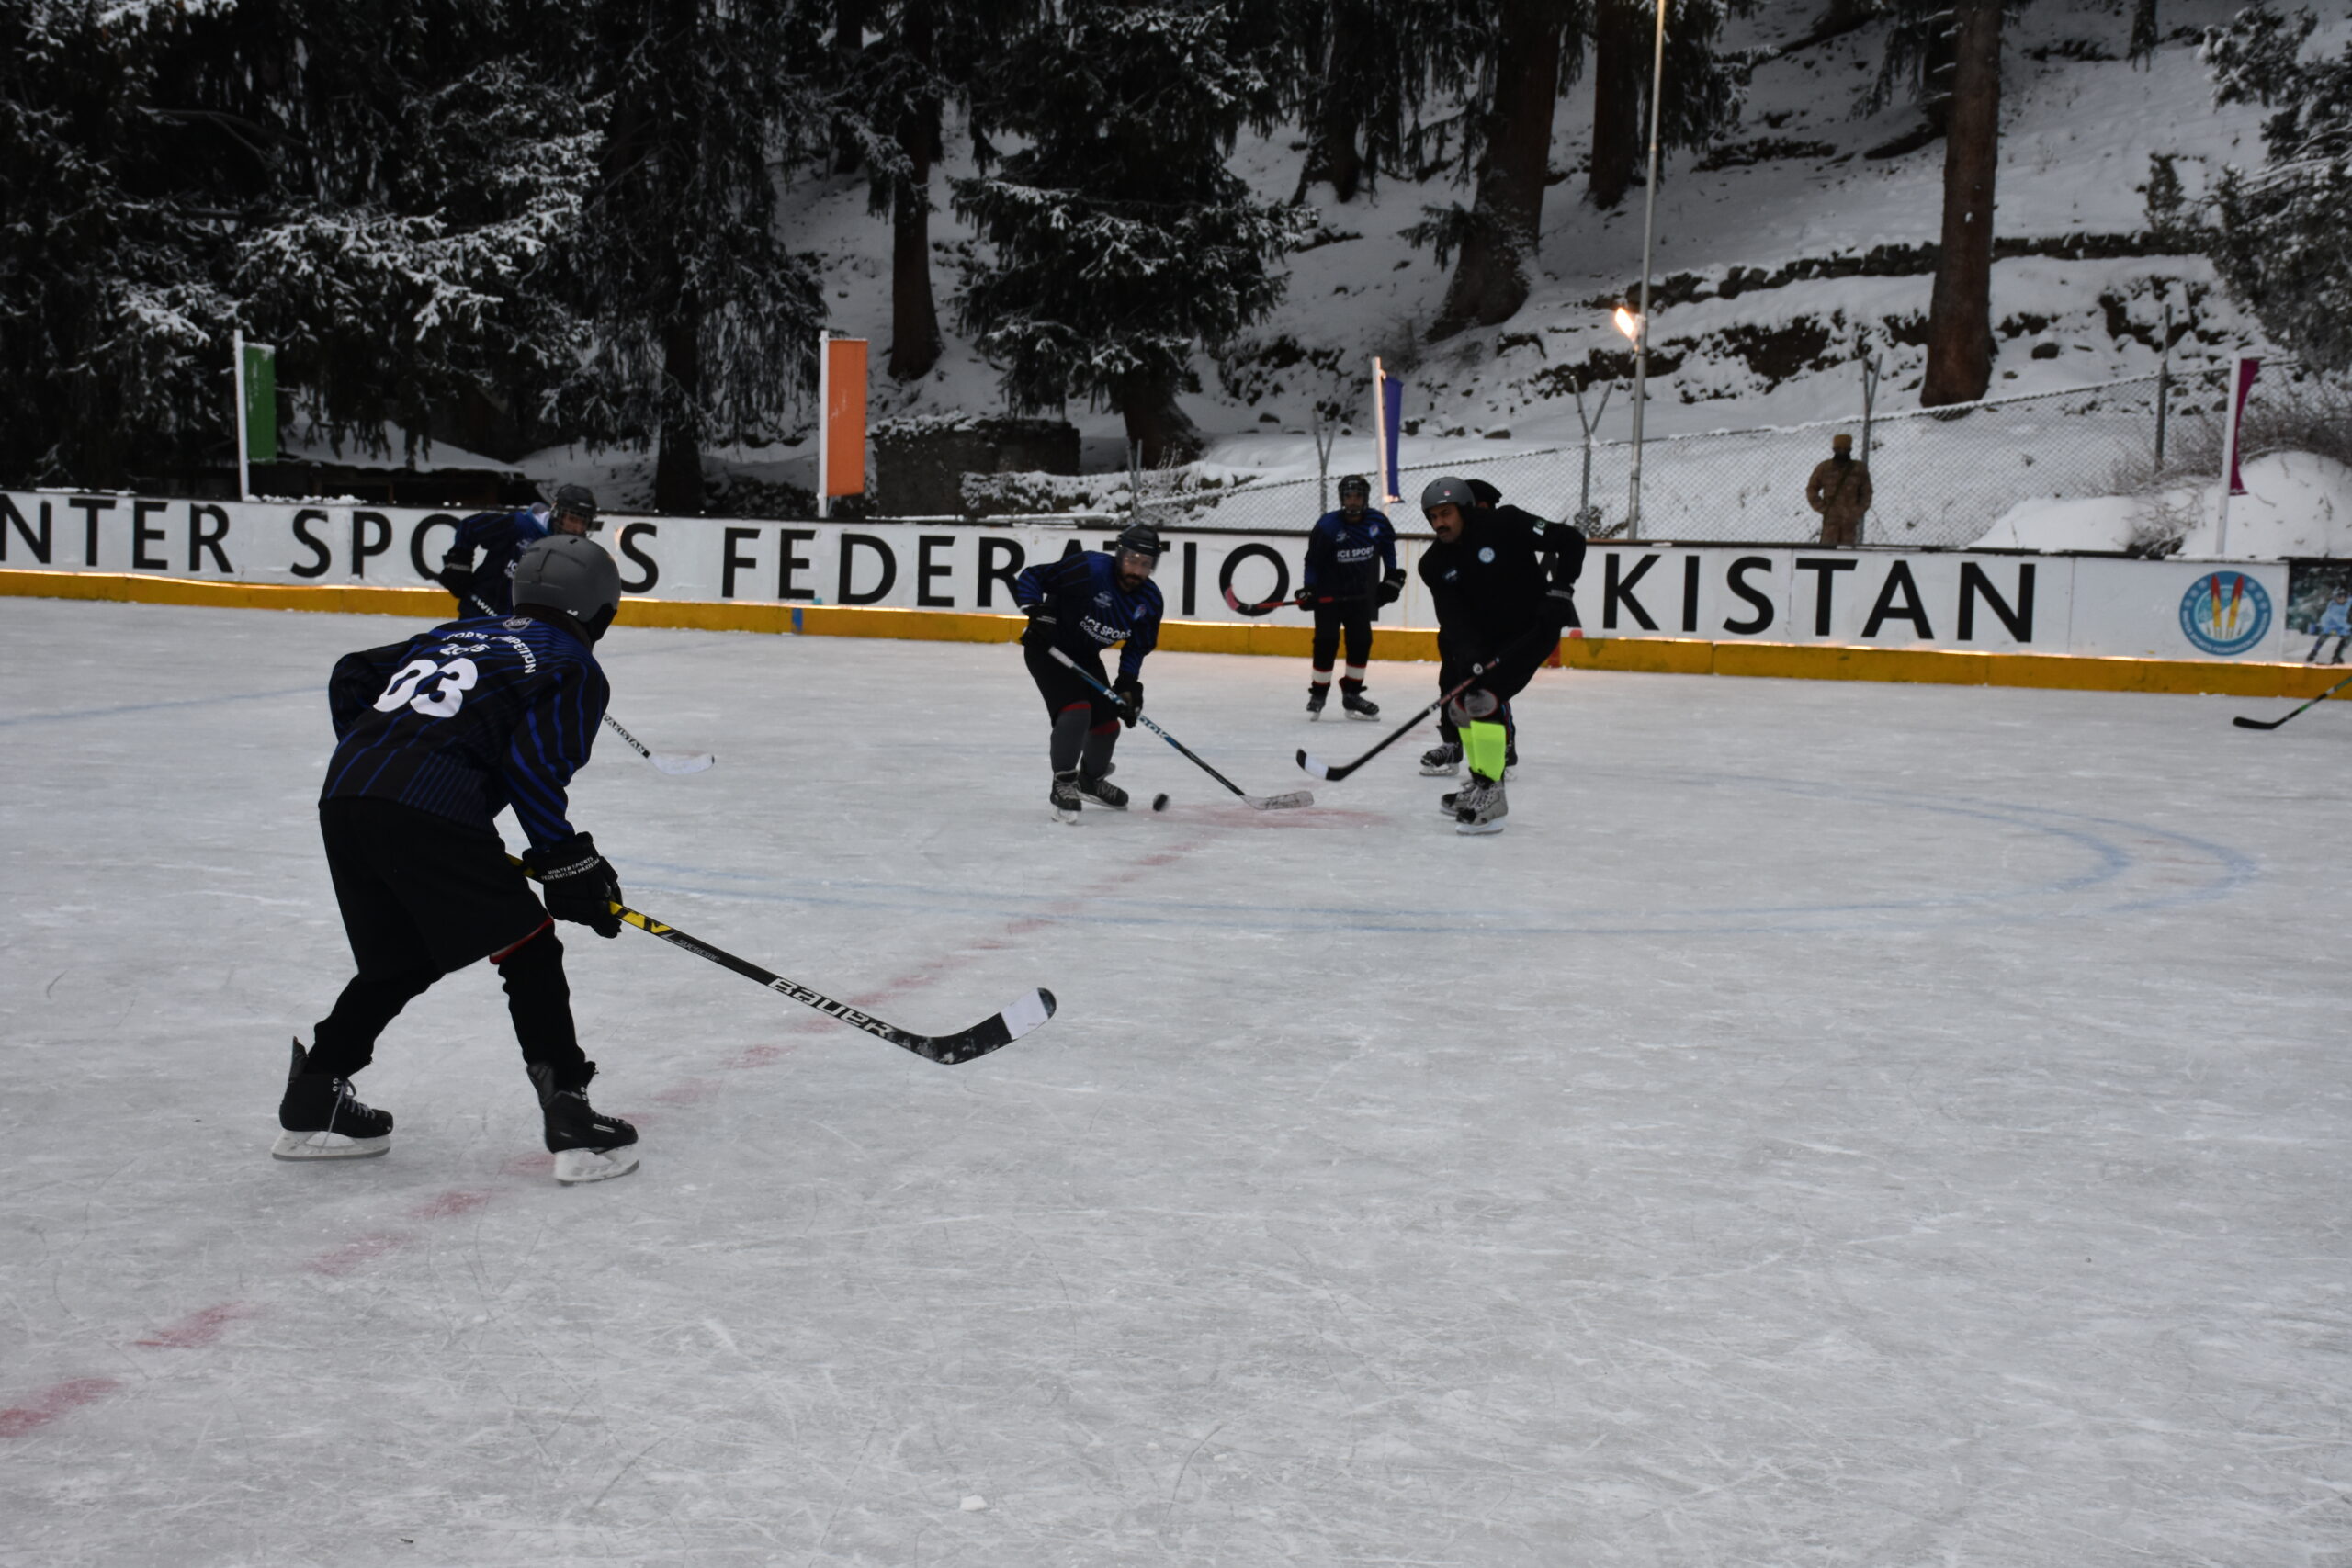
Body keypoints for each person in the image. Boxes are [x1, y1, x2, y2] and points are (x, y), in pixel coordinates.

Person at [277, 533, 641, 1185]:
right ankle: (571, 1115)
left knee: (403, 955)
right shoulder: (571, 663)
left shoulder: (455, 633)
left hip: (348, 793)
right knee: (527, 943)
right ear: (602, 612)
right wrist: (565, 859)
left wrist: (391, 755)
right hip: (426, 804)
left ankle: (315, 1092)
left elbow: (353, 672)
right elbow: (533, 767)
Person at [1415, 477, 1585, 834]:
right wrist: (1470, 654)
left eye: (1446, 514)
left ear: (1463, 509)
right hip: (1485, 640)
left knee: (1484, 699)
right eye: (1432, 518)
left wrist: (1561, 591)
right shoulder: (1433, 563)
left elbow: (1571, 540)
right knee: (1462, 702)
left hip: (1531, 631)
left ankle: (1492, 796)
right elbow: (1453, 618)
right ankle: (1481, 785)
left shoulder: (1507, 522)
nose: (1439, 523)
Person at [1013, 523, 1166, 822]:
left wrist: (1127, 683)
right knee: (1076, 712)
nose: (1136, 570)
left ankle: (1090, 780)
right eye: (1132, 560)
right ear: (1120, 555)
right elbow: (1032, 577)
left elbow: (1136, 647)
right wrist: (1036, 613)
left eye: (1145, 564)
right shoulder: (1090, 570)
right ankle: (1064, 783)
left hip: (1084, 655)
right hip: (1049, 648)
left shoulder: (1149, 600)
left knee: (1107, 725)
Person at [1296, 475, 1403, 719]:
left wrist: (1392, 576)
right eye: (1348, 496)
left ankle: (1352, 694)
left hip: (1357, 596)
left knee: (1361, 642)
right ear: (1341, 499)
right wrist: (1309, 589)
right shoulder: (1328, 526)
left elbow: (1387, 547)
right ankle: (1319, 693)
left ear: (1364, 498)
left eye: (1357, 496)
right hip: (1328, 597)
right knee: (1326, 642)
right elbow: (1312, 561)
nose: (1353, 501)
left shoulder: (1378, 522)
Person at [436, 482, 601, 615]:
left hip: (517, 633)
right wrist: (458, 564)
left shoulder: (576, 553)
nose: (577, 528)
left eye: (583, 522)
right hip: (478, 614)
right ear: (557, 513)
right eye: (572, 519)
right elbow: (470, 526)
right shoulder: (520, 526)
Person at [1805, 434, 1872, 547]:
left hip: (1849, 523)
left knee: (1847, 553)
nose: (1842, 452)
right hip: (1830, 522)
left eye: (1845, 449)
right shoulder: (1824, 468)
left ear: (1850, 449)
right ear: (1834, 449)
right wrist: (1823, 508)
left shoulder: (1859, 469)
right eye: (1839, 449)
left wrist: (1856, 511)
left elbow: (1867, 493)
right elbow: (1811, 489)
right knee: (1827, 552)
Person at [2308, 588, 2351, 664]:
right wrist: (2349, 627)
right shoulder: (2333, 607)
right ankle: (2313, 653)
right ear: (2335, 597)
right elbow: (2339, 620)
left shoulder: (2347, 602)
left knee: (2347, 638)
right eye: (2340, 596)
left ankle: (2337, 656)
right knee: (2323, 637)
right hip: (2330, 626)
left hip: (2340, 627)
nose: (2342, 598)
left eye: (2344, 596)